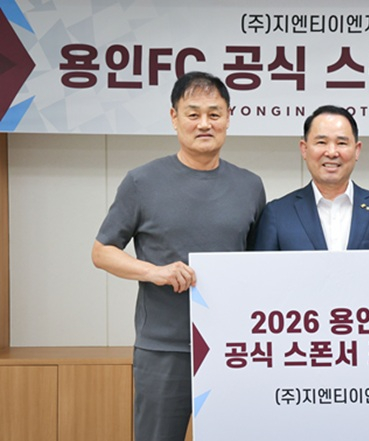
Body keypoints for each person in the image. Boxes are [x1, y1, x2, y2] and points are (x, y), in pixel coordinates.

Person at [91, 71, 266, 441]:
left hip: (231, 348)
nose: (204, 124)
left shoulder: (250, 186)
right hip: (163, 349)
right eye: (193, 113)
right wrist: (154, 271)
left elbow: (255, 263)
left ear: (229, 118)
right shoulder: (141, 182)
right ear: (174, 118)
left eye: (214, 114)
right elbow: (102, 252)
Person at [255, 105, 369, 251]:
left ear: (357, 150)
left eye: (341, 143)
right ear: (304, 149)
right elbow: (263, 268)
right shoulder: (277, 213)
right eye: (321, 142)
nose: (332, 152)